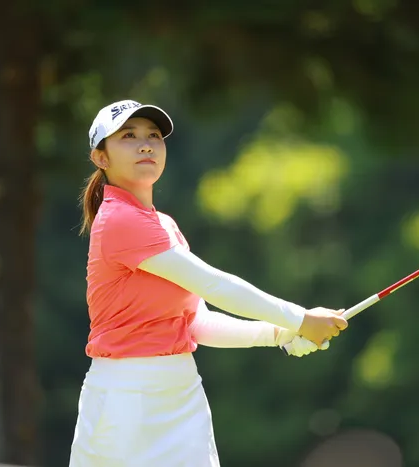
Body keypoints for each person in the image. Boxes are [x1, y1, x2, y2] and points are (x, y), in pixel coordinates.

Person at [68, 99, 348, 467]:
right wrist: (300, 319)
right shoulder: (120, 218)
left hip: (181, 392)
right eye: (128, 137)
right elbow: (214, 285)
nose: (146, 145)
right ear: (100, 157)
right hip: (126, 399)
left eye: (154, 136)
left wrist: (282, 333)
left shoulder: (163, 224)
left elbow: (198, 323)